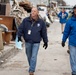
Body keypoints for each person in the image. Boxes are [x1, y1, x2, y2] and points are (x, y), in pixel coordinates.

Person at [17, 7, 48, 75]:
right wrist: (19, 36)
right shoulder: (25, 20)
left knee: (34, 56)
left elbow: (44, 32)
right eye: (32, 11)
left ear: (37, 13)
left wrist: (46, 41)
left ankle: (31, 70)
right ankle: (31, 66)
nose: (33, 12)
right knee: (29, 56)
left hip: (36, 42)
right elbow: (20, 28)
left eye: (34, 11)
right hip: (28, 41)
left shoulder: (41, 22)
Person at [61, 5, 76, 75]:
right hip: (72, 43)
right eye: (75, 10)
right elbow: (66, 32)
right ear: (74, 11)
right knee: (73, 58)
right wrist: (63, 40)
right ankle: (74, 71)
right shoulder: (70, 21)